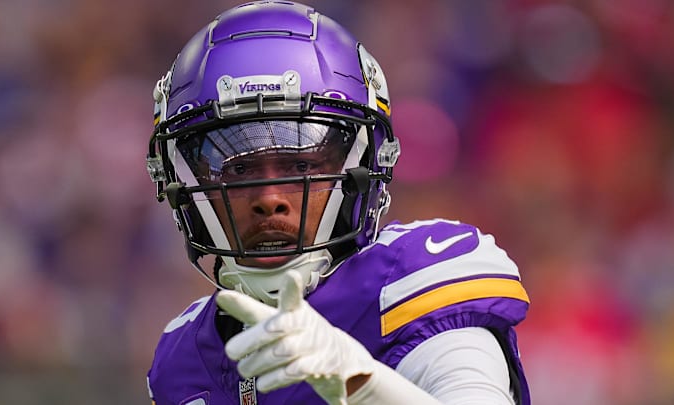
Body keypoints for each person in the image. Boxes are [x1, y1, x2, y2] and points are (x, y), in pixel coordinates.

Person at [144, 2, 531, 404]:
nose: (269, 199)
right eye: (239, 171)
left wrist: (364, 386)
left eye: (300, 164)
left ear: (364, 165)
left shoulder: (410, 283)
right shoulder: (181, 362)